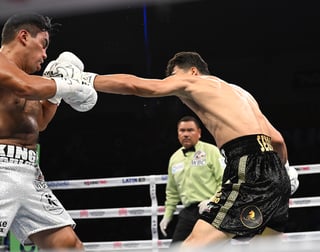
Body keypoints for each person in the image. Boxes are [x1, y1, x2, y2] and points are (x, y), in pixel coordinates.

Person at [47, 51, 299, 248]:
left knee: (192, 246)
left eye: (174, 78)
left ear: (192, 71)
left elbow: (139, 86)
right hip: (276, 173)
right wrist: (285, 170)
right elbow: (276, 139)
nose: (174, 87)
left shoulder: (195, 83)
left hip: (249, 169)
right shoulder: (241, 93)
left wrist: (85, 79)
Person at [0, 13, 97, 250]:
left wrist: (56, 95)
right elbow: (25, 88)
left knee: (68, 245)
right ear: (23, 37)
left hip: (30, 172)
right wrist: (68, 84)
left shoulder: (32, 81)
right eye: (43, 45)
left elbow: (39, 123)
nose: (45, 55)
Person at [159, 115, 225, 244]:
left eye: (190, 130)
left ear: (199, 133)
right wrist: (167, 216)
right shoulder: (175, 158)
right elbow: (172, 192)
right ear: (178, 134)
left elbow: (224, 181)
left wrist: (213, 201)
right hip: (188, 212)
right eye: (182, 131)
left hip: (211, 209)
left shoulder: (212, 151)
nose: (186, 134)